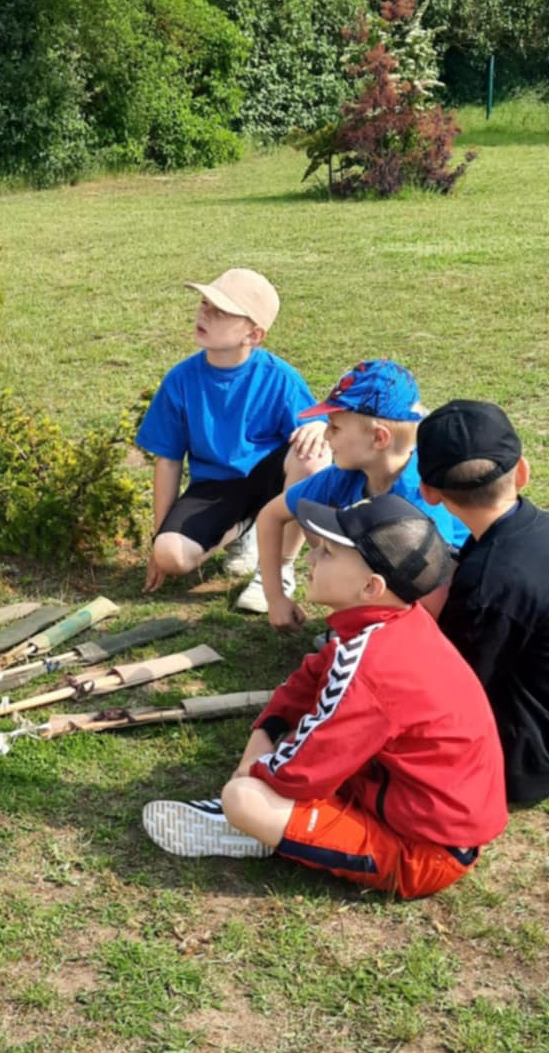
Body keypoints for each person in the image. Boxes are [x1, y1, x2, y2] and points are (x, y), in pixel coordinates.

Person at [142, 494, 507, 899]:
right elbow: (310, 677)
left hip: (424, 852)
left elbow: (296, 774)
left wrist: (252, 771)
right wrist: (265, 731)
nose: (311, 556)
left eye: (328, 552)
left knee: (244, 799)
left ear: (371, 586)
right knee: (265, 774)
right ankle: (270, 826)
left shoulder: (373, 669)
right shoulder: (396, 622)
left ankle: (251, 827)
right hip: (415, 808)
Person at [137, 268, 329, 607]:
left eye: (221, 311)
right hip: (215, 488)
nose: (204, 314)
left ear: (253, 335)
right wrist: (158, 536)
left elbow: (322, 430)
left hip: (269, 481)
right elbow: (168, 462)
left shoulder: (280, 377)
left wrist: (321, 426)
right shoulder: (180, 380)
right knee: (170, 555)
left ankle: (277, 570)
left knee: (312, 455)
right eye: (204, 303)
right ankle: (245, 530)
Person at [242, 359, 469, 626]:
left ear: (379, 438)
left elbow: (432, 581)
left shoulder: (421, 494)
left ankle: (373, 626)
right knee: (322, 522)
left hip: (447, 601)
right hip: (392, 578)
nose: (326, 436)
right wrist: (275, 598)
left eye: (335, 427)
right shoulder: (344, 474)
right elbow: (271, 515)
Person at [416, 399, 549, 809]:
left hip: (523, 762)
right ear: (522, 472)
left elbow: (458, 688)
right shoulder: (535, 529)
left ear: (429, 493)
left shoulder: (486, 586)